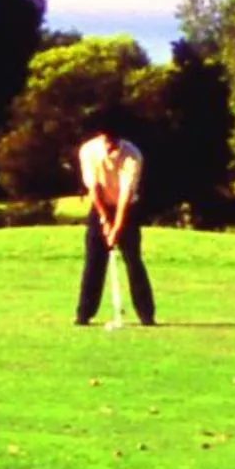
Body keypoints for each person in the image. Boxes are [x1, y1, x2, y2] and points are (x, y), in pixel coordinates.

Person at [76, 109, 155, 326]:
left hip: (127, 209)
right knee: (93, 260)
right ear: (101, 136)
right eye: (106, 139)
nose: (109, 144)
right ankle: (84, 314)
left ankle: (146, 315)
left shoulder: (133, 155)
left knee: (133, 260)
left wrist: (117, 227)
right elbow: (94, 189)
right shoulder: (88, 151)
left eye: (113, 140)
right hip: (99, 207)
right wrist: (104, 219)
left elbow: (125, 195)